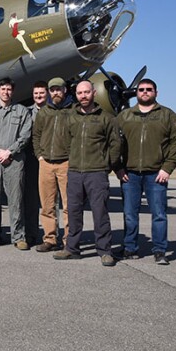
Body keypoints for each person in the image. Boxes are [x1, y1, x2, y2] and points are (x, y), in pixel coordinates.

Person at [116, 78, 176, 265]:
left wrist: (167, 168)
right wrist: (118, 167)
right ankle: (130, 248)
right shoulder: (124, 116)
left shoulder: (168, 115)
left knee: (159, 214)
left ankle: (160, 250)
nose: (145, 92)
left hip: (156, 174)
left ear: (156, 92)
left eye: (149, 89)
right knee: (130, 214)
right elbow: (113, 143)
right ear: (136, 93)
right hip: (129, 174)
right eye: (141, 89)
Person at [53, 81, 122, 267]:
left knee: (100, 213)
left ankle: (105, 251)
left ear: (93, 93)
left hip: (97, 172)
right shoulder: (70, 117)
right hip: (75, 172)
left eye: (86, 92)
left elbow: (115, 145)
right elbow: (66, 141)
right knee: (73, 212)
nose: (83, 96)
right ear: (76, 94)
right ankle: (72, 249)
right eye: (80, 93)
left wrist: (106, 165)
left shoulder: (106, 118)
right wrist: (73, 159)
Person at [0, 78, 32, 249]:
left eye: (9, 89)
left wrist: (9, 151)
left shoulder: (22, 111)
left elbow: (25, 136)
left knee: (16, 199)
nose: (6, 92)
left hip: (14, 160)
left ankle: (18, 237)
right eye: (3, 89)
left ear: (12, 91)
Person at [31, 77, 72, 252]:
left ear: (65, 91)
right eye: (53, 90)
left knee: (69, 205)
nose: (56, 92)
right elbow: (36, 136)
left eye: (59, 89)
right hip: (46, 163)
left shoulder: (72, 112)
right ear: (49, 92)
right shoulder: (44, 112)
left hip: (66, 163)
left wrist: (72, 159)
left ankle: (69, 239)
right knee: (47, 205)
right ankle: (50, 239)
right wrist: (40, 156)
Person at [22, 80, 48, 247]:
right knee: (30, 199)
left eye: (41, 93)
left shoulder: (54, 112)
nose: (38, 96)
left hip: (49, 159)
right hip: (31, 159)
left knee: (49, 200)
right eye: (36, 94)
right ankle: (30, 233)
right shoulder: (26, 112)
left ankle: (50, 236)